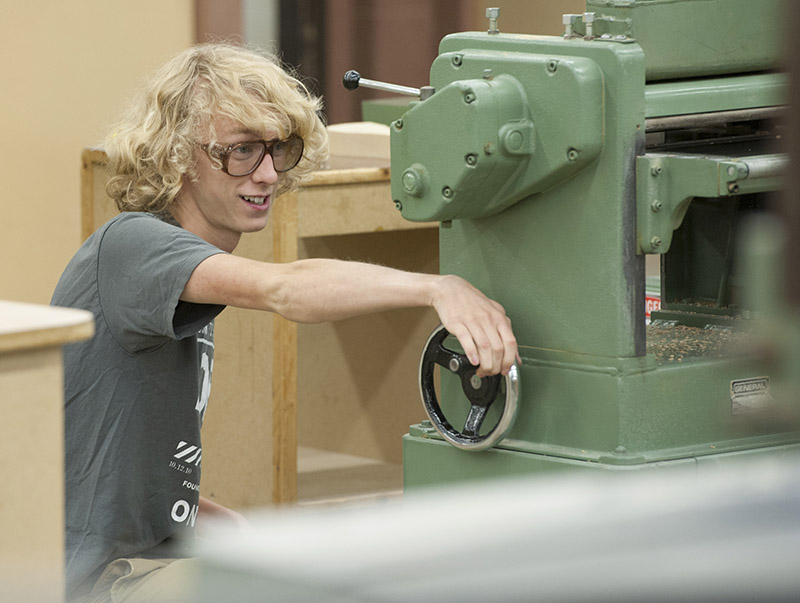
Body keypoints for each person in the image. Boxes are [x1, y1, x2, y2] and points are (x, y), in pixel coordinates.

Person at [52, 42, 518, 602]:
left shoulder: (172, 272)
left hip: (152, 560)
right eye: (242, 150)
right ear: (178, 156)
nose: (268, 173)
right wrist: (436, 287)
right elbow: (286, 287)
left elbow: (102, 451)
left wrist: (195, 512)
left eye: (279, 149)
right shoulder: (133, 245)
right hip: (99, 581)